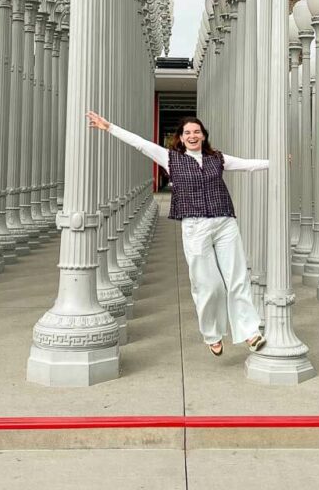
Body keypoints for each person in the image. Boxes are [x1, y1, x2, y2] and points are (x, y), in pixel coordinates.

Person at [88, 111, 268, 358]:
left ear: (203, 136)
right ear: (180, 139)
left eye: (197, 132)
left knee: (237, 279)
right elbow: (140, 144)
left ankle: (250, 332)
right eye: (187, 133)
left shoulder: (218, 158)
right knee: (209, 284)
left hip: (224, 222)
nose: (192, 136)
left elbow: (248, 165)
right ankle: (212, 334)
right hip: (195, 227)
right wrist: (109, 128)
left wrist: (276, 162)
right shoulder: (170, 158)